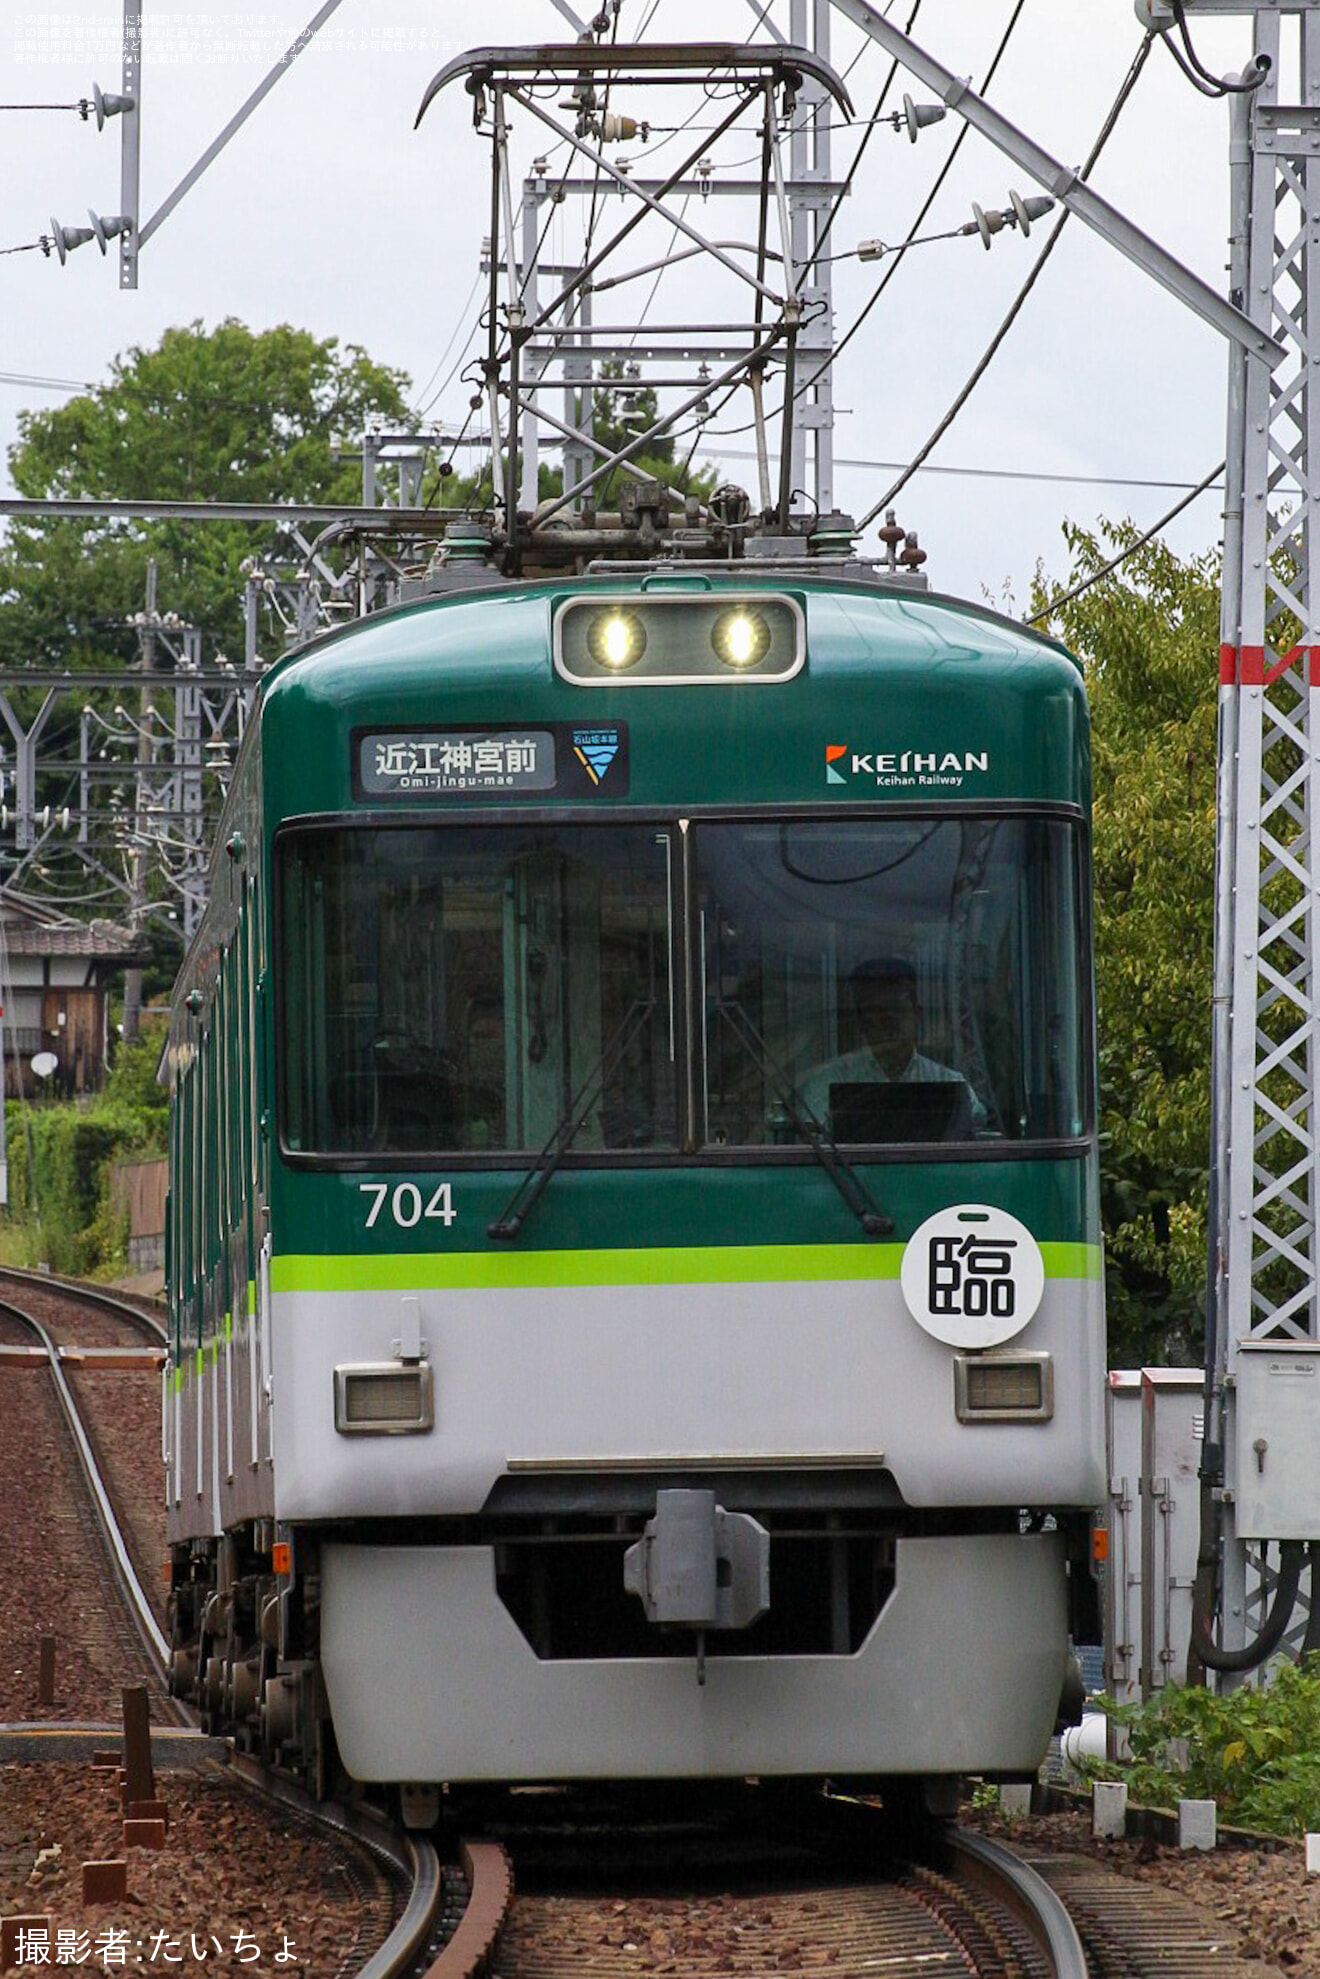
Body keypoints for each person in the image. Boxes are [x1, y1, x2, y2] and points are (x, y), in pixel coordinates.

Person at [799, 956, 986, 1135]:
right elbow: (815, 1145)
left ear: (917, 1015)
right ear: (861, 1022)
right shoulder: (827, 1082)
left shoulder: (951, 1084)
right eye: (875, 1011)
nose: (888, 1020)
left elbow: (976, 1133)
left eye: (896, 1008)